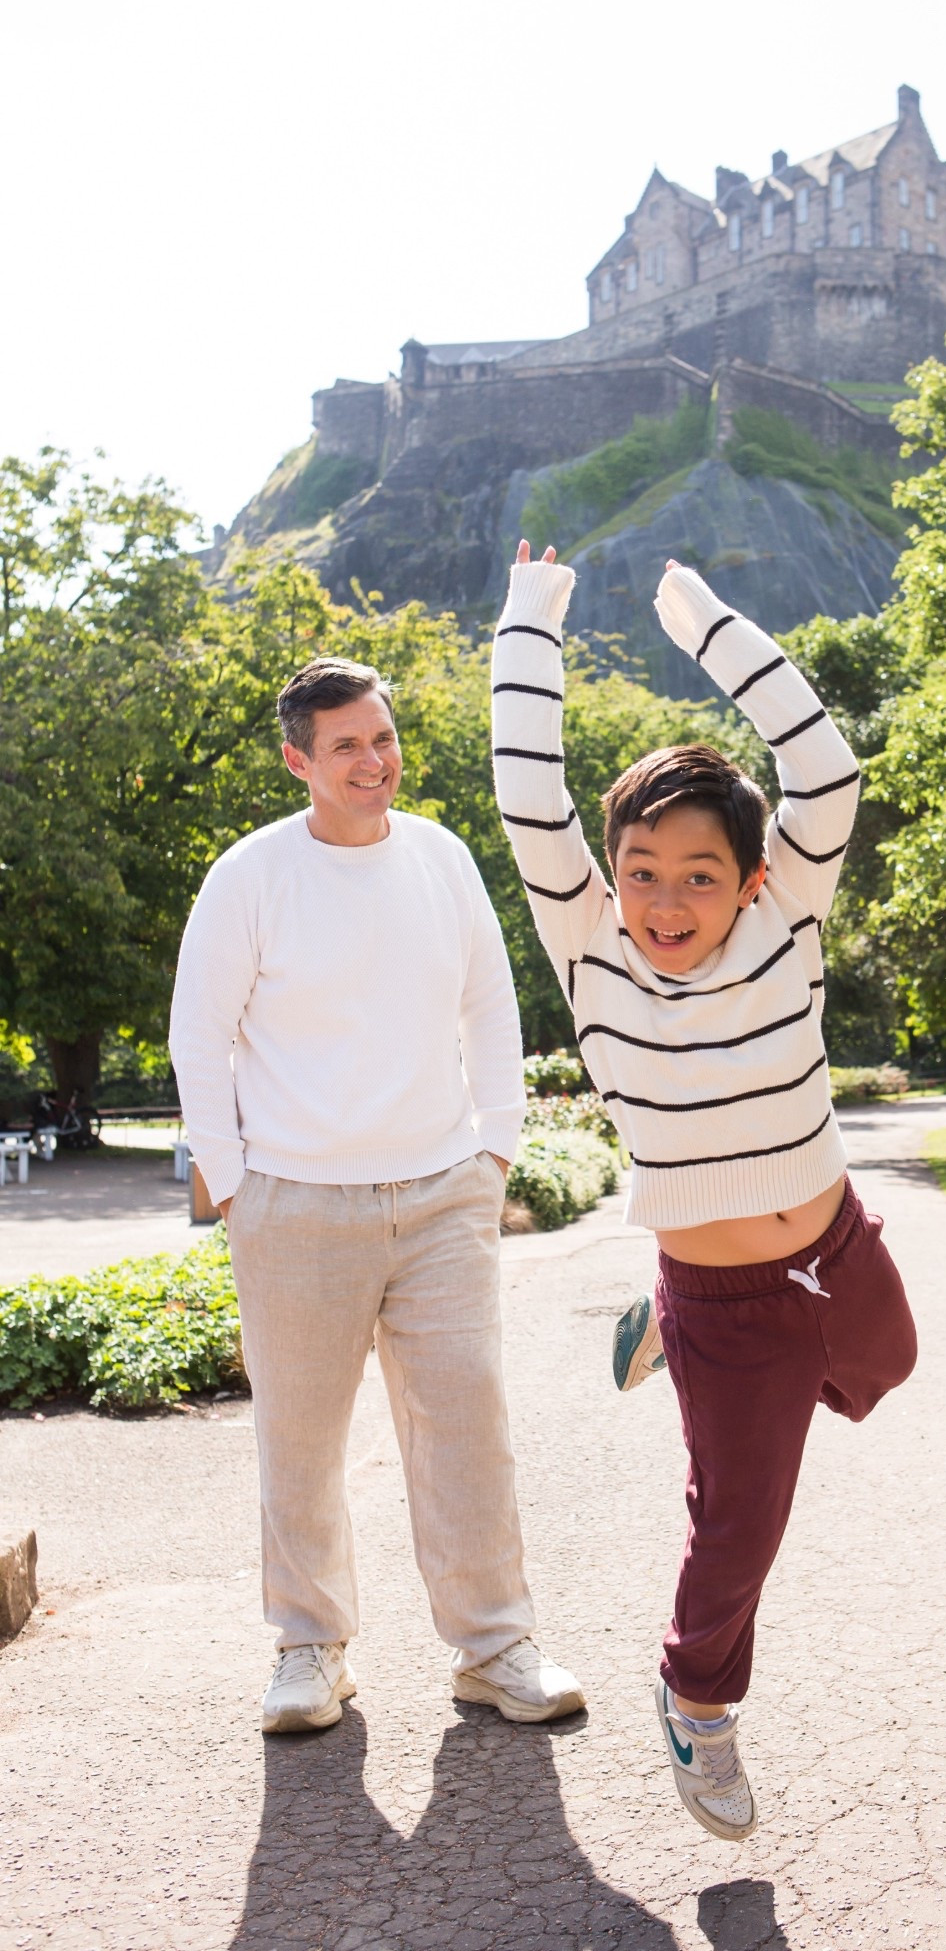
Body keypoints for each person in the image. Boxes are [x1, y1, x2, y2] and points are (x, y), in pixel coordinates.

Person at [491, 543, 917, 1841]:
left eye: (698, 872)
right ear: (608, 877)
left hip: (836, 1242)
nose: (667, 897)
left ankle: (655, 1346)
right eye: (642, 870)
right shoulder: (589, 946)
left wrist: (699, 616)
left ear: (751, 876)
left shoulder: (790, 915)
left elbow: (823, 767)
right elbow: (526, 798)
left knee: (889, 1363)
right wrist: (532, 616)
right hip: (724, 1291)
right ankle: (696, 1697)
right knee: (741, 1521)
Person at [169, 656, 583, 1735]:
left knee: (468, 1431)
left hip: (443, 1194)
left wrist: (493, 1154)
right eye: (346, 743)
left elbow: (492, 1010)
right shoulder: (249, 876)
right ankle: (309, 1649)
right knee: (299, 1442)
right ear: (299, 758)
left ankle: (495, 1647)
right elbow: (198, 1036)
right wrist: (235, 1186)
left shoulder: (442, 859)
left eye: (384, 736)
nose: (374, 758)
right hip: (295, 1203)